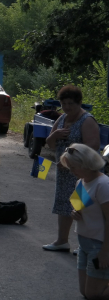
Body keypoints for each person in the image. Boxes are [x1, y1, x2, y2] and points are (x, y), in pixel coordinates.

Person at [43, 85, 101, 252]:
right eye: (64, 103)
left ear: (79, 103)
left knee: (82, 208)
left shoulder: (87, 120)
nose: (67, 107)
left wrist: (70, 160)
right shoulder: (62, 119)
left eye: (71, 104)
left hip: (82, 173)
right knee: (64, 205)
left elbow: (93, 145)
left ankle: (85, 245)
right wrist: (54, 136)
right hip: (64, 172)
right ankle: (62, 241)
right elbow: (50, 144)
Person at [62, 144, 109, 299]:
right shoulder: (81, 181)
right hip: (84, 243)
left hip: (100, 244)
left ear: (86, 165)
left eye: (73, 167)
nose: (71, 171)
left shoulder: (103, 185)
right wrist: (75, 213)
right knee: (85, 292)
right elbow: (78, 207)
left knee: (94, 294)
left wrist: (105, 252)